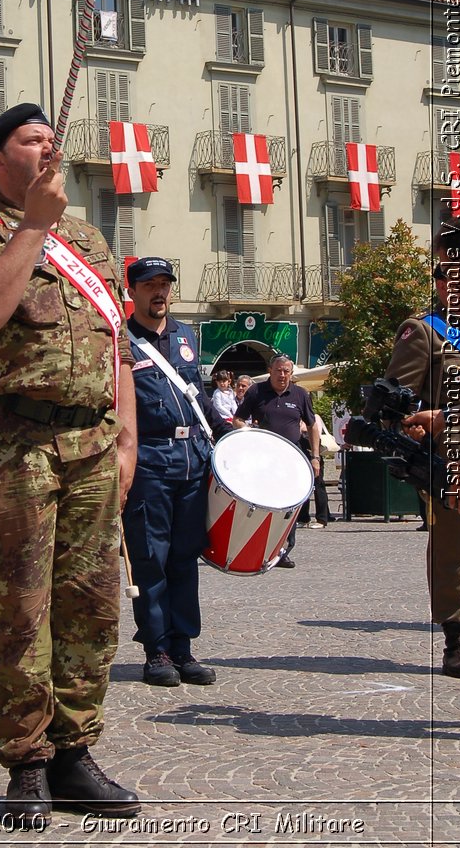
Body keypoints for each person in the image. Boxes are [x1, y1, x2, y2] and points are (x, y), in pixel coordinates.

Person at [0, 103, 140, 823]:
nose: (48, 147)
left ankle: (76, 751)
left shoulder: (87, 238)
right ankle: (26, 761)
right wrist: (33, 228)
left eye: (52, 139)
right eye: (31, 140)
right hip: (14, 447)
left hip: (91, 444)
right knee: (20, 609)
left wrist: (127, 440)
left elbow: (115, 345)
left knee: (91, 606)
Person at [122, 257, 229, 687]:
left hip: (191, 459)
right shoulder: (121, 338)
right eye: (150, 285)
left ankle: (183, 646)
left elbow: (197, 397)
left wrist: (227, 431)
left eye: (165, 283)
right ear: (133, 292)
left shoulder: (186, 335)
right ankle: (157, 649)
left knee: (186, 557)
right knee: (151, 558)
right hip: (149, 459)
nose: (160, 292)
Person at [378, 216, 460, 678]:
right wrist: (412, 427)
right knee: (456, 546)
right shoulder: (425, 330)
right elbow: (396, 403)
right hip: (453, 454)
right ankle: (457, 636)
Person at [233, 353, 320, 568]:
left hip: (293, 459)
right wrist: (250, 433)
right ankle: (258, 548)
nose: (282, 375)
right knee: (264, 504)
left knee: (290, 506)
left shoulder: (300, 394)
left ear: (291, 373)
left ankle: (283, 550)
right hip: (264, 458)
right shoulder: (256, 391)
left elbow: (311, 425)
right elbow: (237, 419)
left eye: (286, 371)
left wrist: (315, 457)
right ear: (270, 371)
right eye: (278, 371)